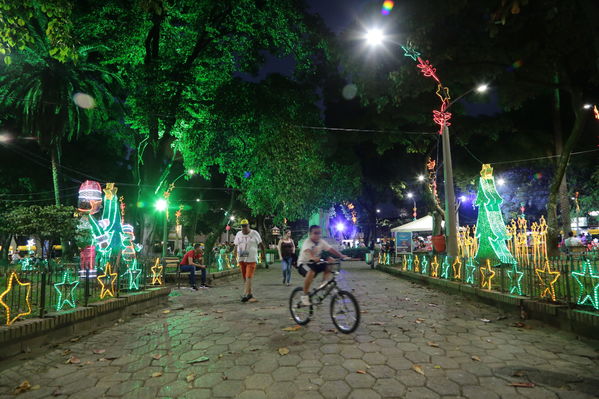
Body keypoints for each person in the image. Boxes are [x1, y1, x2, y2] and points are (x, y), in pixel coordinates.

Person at [297, 225, 348, 306]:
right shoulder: (307, 242)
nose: (318, 235)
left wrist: (341, 255)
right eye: (315, 233)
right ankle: (305, 295)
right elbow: (308, 251)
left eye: (319, 233)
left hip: (315, 264)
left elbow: (331, 249)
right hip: (304, 264)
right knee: (311, 272)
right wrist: (312, 257)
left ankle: (324, 283)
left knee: (330, 260)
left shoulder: (321, 242)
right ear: (310, 234)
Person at [234, 219, 266, 302]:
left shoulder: (254, 233)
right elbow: (235, 246)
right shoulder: (238, 234)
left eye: (245, 226)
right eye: (242, 226)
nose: (244, 228)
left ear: (248, 225)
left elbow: (261, 245)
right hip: (242, 258)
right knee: (245, 277)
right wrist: (234, 257)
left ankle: (245, 295)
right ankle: (250, 294)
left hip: (251, 259)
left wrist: (263, 254)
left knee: (248, 276)